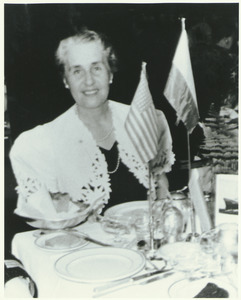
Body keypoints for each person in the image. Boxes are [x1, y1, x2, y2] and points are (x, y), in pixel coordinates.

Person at [9, 28, 174, 221]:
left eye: (96, 68)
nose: (88, 81)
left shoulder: (144, 120)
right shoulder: (43, 143)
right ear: (65, 80)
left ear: (110, 74)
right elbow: (46, 219)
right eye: (77, 71)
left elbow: (161, 186)